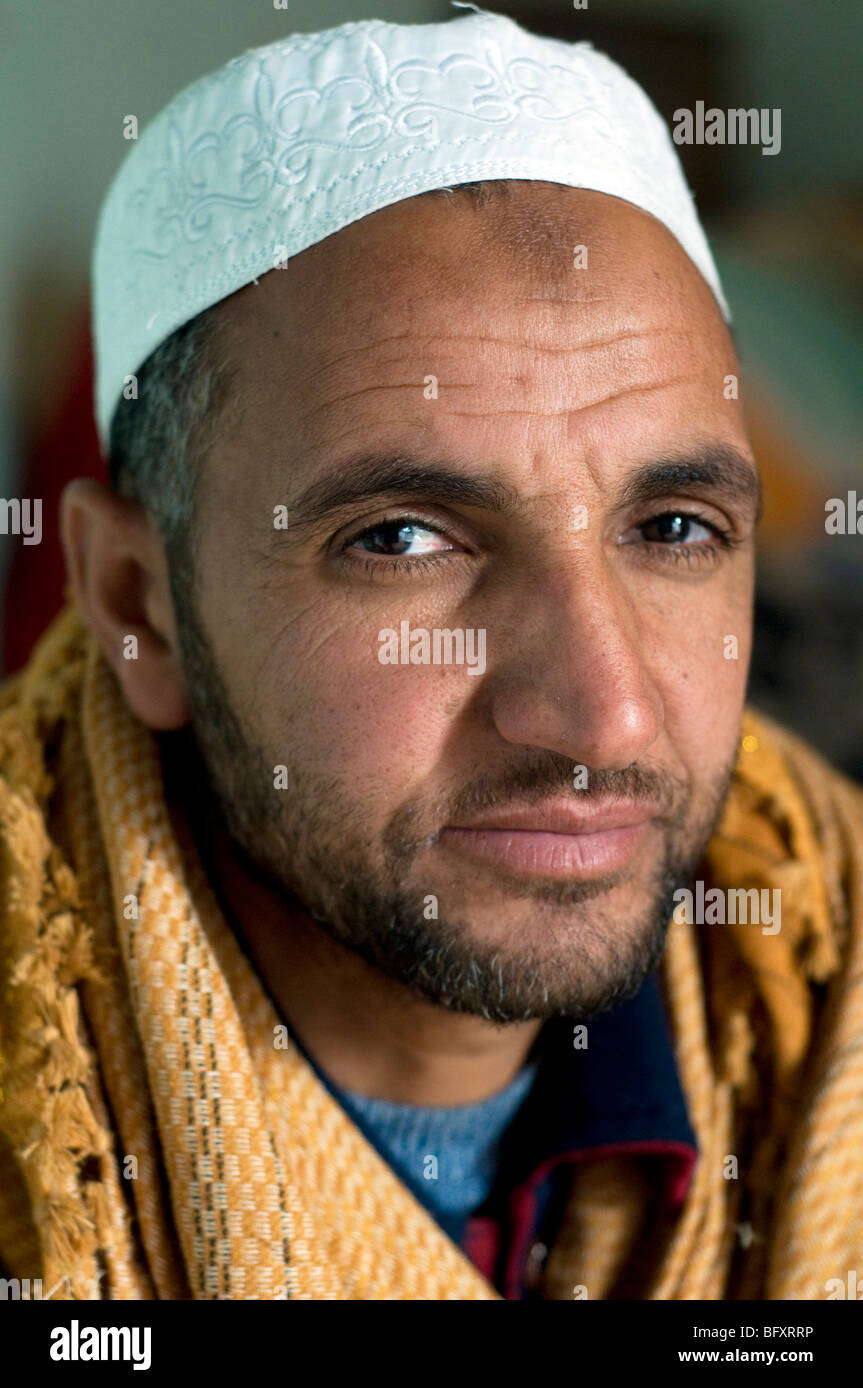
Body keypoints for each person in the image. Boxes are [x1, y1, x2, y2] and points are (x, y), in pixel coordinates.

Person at [1, 8, 861, 1302]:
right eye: (404, 537)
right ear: (138, 599)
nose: (605, 712)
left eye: (674, 527)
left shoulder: (822, 970)